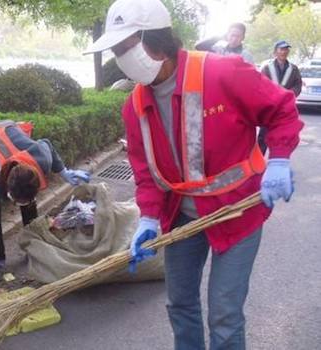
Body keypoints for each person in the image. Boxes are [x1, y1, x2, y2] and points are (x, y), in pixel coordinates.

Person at [85, 0, 303, 349]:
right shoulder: (135, 105)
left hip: (238, 212)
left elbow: (281, 109)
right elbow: (145, 171)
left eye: (122, 48)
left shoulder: (224, 73)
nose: (118, 58)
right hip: (183, 219)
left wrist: (278, 158)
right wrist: (149, 219)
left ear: (151, 41)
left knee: (224, 314)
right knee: (180, 303)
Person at [0, 120, 90, 297]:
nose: (18, 205)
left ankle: (32, 242)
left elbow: (46, 143)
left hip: (8, 130)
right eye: (15, 201)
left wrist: (64, 172)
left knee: (29, 206)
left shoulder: (41, 159)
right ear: (7, 190)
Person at [259, 40, 303, 153]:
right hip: (269, 107)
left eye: (286, 49)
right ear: (275, 52)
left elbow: (298, 84)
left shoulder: (293, 68)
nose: (284, 51)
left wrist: (290, 93)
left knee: (281, 137)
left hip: (285, 109)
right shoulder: (267, 68)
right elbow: (261, 84)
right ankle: (258, 167)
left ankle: (277, 165)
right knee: (263, 137)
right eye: (281, 49)